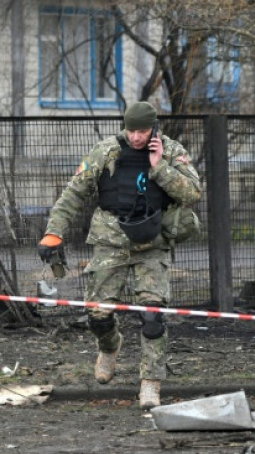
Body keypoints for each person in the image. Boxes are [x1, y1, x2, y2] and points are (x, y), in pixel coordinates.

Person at [37, 102, 202, 409]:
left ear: (154, 128)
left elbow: (192, 192)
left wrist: (159, 167)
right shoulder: (106, 151)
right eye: (132, 130)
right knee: (98, 314)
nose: (137, 137)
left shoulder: (171, 151)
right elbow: (74, 192)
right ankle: (109, 346)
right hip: (111, 240)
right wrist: (54, 231)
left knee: (153, 316)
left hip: (153, 243)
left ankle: (151, 383)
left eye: (142, 131)